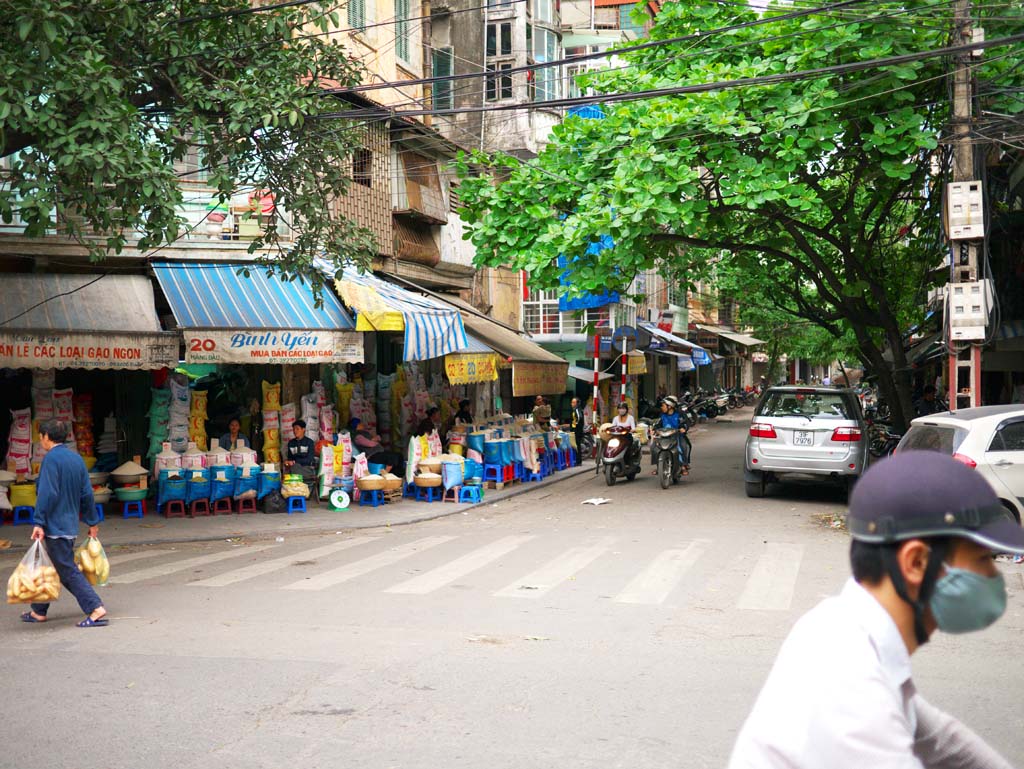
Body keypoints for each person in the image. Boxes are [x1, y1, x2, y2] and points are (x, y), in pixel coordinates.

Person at [728, 451, 1021, 769]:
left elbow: (944, 743)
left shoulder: (841, 628)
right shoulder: (851, 690)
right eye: (983, 560)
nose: (993, 577)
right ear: (917, 563)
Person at [22, 419, 108, 627]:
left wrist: (39, 522)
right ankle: (38, 611)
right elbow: (87, 493)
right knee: (52, 566)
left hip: (55, 525)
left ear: (46, 437)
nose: (41, 440)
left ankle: (95, 607)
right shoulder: (76, 459)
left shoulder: (51, 460)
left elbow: (47, 493)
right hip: (69, 525)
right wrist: (91, 521)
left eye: (41, 436)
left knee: (67, 570)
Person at [651, 396, 689, 475]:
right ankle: (659, 466)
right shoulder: (662, 415)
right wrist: (654, 429)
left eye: (663, 406)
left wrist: (683, 428)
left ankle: (683, 465)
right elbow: (658, 424)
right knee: (653, 447)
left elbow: (685, 423)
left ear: (669, 406)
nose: (662, 408)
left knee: (683, 446)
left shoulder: (679, 414)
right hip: (664, 436)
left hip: (676, 436)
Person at [567, 397, 585, 467]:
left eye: (573, 402)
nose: (572, 404)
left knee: (577, 445)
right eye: (572, 402)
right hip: (576, 430)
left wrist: (574, 426)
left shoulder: (577, 410)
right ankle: (577, 460)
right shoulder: (575, 410)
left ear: (577, 403)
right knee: (577, 445)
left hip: (577, 430)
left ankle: (578, 461)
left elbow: (579, 418)